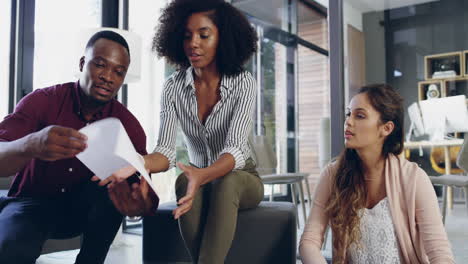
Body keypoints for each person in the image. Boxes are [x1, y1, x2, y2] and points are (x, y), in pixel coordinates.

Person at [102, 0, 261, 263]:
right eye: (187, 36)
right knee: (182, 181)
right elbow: (164, 151)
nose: (193, 43)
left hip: (241, 177)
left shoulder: (244, 82)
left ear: (223, 37)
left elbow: (235, 149)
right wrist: (138, 163)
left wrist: (202, 175)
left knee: (227, 182)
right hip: (197, 177)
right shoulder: (173, 87)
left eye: (203, 35)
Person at [0, 30, 157, 264]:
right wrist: (32, 144)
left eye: (119, 71)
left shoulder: (128, 126)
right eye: (101, 65)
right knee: (10, 250)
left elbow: (141, 189)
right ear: (83, 63)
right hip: (31, 204)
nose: (108, 77)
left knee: (111, 190)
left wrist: (139, 204)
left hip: (83, 209)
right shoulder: (42, 101)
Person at [299, 84, 455, 264]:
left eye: (360, 115)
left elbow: (440, 253)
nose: (348, 121)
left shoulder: (414, 179)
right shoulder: (332, 175)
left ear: (386, 128)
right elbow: (309, 241)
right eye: (349, 114)